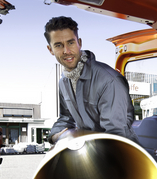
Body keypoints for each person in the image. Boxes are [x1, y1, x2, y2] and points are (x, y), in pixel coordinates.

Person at [45, 16, 140, 145]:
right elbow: (66, 118)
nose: (66, 51)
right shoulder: (64, 82)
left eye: (71, 43)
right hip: (92, 150)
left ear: (79, 43)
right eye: (58, 45)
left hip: (120, 153)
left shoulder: (108, 81)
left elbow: (116, 136)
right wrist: (55, 136)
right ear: (50, 49)